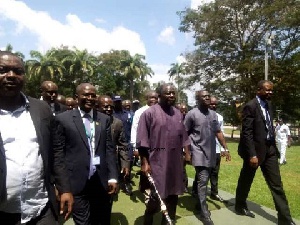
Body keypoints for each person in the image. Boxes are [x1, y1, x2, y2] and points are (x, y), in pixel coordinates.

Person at [0, 51, 73, 224]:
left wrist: (64, 188)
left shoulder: (41, 109)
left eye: (18, 71)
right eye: (3, 70)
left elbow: (55, 151)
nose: (11, 76)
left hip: (40, 207)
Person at [53, 83, 118, 225]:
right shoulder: (63, 119)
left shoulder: (104, 119)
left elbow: (109, 149)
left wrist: (112, 177)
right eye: (86, 95)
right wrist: (63, 187)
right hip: (76, 182)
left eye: (93, 95)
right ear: (77, 98)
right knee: (83, 222)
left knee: (102, 220)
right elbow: (58, 154)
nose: (90, 98)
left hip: (100, 181)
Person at [235, 80, 295, 225]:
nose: (270, 92)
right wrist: (252, 155)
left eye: (271, 90)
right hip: (254, 152)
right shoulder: (250, 106)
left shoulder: (269, 105)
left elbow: (268, 126)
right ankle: (240, 205)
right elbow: (247, 133)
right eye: (267, 90)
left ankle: (285, 219)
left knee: (277, 184)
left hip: (270, 150)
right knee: (246, 180)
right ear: (258, 90)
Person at [136, 83, 191, 225]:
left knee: (173, 194)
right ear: (159, 95)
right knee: (156, 196)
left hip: (175, 162)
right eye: (168, 93)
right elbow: (142, 141)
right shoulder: (149, 113)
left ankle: (167, 221)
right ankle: (148, 219)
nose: (171, 95)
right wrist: (145, 163)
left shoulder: (178, 113)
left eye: (173, 93)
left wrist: (187, 153)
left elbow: (184, 136)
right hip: (157, 162)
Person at [184, 90, 230, 225]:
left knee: (204, 179)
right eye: (204, 97)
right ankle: (204, 214)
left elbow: (218, 132)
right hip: (198, 152)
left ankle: (199, 204)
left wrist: (225, 148)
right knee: (203, 180)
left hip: (210, 153)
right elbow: (184, 134)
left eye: (208, 96)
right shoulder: (191, 114)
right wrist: (187, 153)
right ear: (198, 99)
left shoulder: (213, 114)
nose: (207, 98)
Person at [97, 95, 130, 197]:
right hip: (95, 164)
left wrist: (125, 164)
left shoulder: (117, 123)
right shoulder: (92, 121)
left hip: (112, 163)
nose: (109, 109)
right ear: (98, 107)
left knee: (111, 192)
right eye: (106, 107)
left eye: (111, 107)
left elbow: (123, 145)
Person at [208, 96, 232, 204]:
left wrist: (223, 148)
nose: (213, 106)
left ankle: (214, 193)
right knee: (203, 173)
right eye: (211, 103)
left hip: (216, 149)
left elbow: (221, 133)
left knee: (215, 172)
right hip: (205, 150)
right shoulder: (202, 115)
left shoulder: (220, 118)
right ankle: (196, 192)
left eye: (215, 104)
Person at [130, 90, 158, 166]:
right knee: (145, 169)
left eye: (156, 98)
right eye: (151, 97)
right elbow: (134, 129)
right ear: (147, 98)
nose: (154, 100)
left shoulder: (161, 111)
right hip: (144, 147)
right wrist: (135, 148)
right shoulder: (140, 112)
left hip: (158, 147)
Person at [113, 95, 134, 195]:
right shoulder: (111, 113)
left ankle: (126, 183)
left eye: (119, 102)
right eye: (115, 102)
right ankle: (117, 182)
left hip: (126, 143)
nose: (117, 103)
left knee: (127, 163)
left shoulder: (128, 114)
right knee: (116, 164)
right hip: (114, 143)